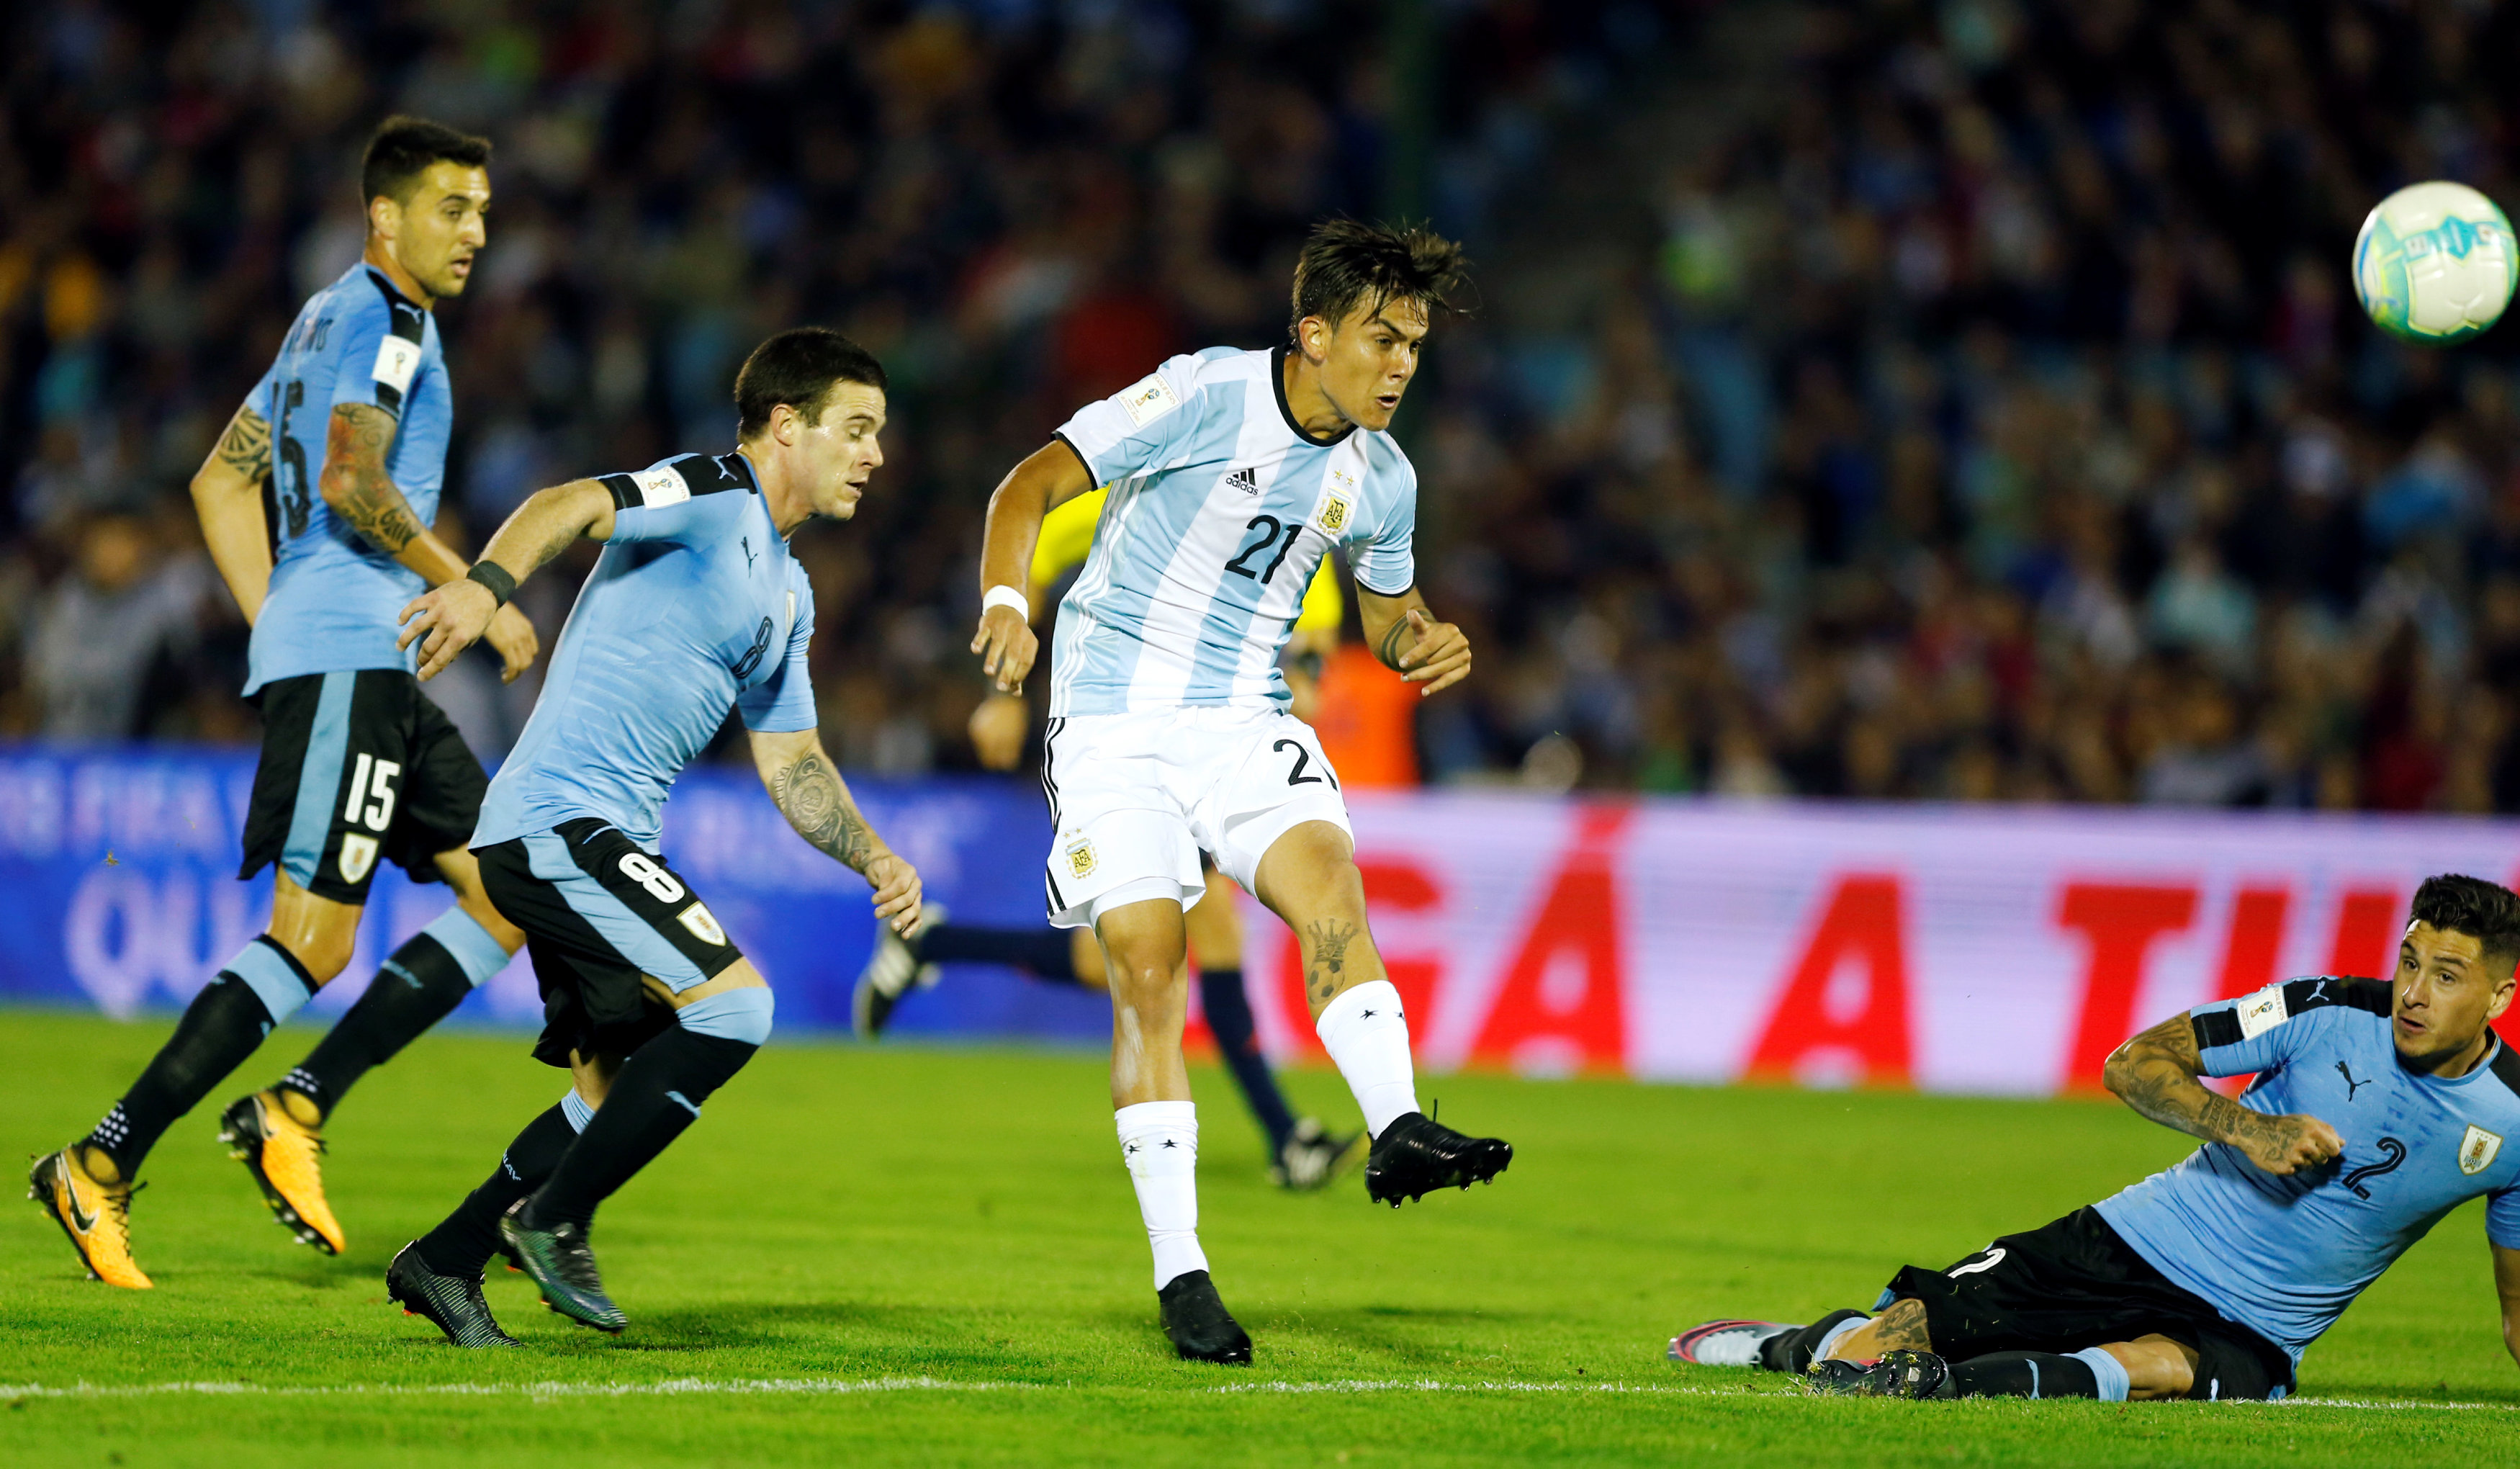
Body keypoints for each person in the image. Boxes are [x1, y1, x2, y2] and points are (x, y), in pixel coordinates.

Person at [966, 219, 1513, 1365]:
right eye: (1382, 339)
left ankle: (1397, 1126)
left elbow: (1385, 618)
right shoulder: (1203, 396)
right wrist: (1010, 607)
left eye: (1415, 343)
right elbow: (1031, 484)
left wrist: (1423, 639)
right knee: (1151, 972)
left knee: (1331, 891)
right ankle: (1183, 1277)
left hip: (1241, 718)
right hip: (1111, 721)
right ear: (1314, 335)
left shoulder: (1383, 475)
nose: (1403, 364)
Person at [29, 117, 540, 1288]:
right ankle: (98, 1165)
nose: (474, 231)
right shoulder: (396, 327)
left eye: (483, 211)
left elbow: (221, 479)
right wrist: (483, 592)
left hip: (358, 660)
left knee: (507, 891)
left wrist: (275, 617)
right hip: (354, 661)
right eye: (452, 209)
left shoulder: (323, 319)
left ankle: (302, 1104)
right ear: (385, 219)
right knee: (311, 941)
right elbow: (358, 483)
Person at [374, 327, 921, 1347]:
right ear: (786, 426)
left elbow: (791, 759)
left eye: (879, 435)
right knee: (735, 1009)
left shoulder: (789, 590)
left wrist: (873, 855)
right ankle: (552, 1220)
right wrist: (481, 589)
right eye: (856, 429)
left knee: (608, 1096)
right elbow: (567, 505)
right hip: (561, 823)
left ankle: (444, 1262)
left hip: (602, 834)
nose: (874, 455)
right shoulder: (713, 490)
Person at [1673, 873, 2520, 1402]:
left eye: (2445, 977)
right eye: (2409, 961)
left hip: (2251, 1329)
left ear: (2496, 996)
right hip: (2131, 1243)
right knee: (1868, 1354)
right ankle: (1803, 1342)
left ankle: (1946, 1388)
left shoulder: (2512, 1124)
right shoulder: (2324, 1007)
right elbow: (2132, 1062)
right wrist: (2245, 1126)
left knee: (2153, 1367)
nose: (2411, 991)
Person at [856, 485, 1363, 1191]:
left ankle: (933, 942)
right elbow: (1020, 547)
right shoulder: (1133, 493)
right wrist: (1003, 693)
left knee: (1132, 959)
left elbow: (1307, 661)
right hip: (1111, 748)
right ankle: (1288, 1140)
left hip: (1206, 753)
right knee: (1197, 942)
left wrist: (1292, 683)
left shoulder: (1286, 526)